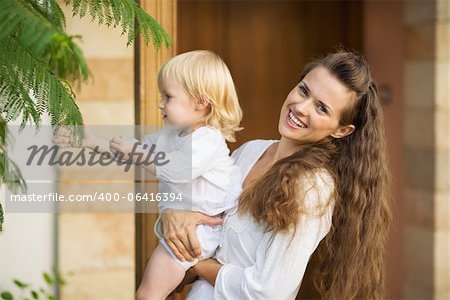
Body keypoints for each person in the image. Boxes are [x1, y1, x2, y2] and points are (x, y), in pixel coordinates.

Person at [159, 50, 392, 299]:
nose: (301, 108)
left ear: (341, 130)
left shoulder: (312, 189)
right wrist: (171, 212)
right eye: (304, 90)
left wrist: (199, 266)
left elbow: (269, 291)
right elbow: (200, 201)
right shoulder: (251, 151)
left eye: (321, 108)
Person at [54, 50, 243, 300]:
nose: (160, 104)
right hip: (187, 229)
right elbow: (129, 153)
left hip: (198, 234)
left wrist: (138, 152)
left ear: (200, 102)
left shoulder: (208, 140)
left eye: (168, 96)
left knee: (147, 296)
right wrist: (91, 141)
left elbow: (177, 170)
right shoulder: (173, 134)